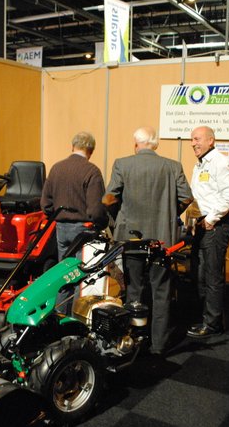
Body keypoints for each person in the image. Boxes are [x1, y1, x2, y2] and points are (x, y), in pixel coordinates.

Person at [103, 127, 192, 355]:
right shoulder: (173, 166)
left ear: (136, 144)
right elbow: (186, 198)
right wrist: (169, 214)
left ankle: (133, 340)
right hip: (163, 241)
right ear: (156, 144)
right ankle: (159, 344)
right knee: (161, 292)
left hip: (131, 238)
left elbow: (109, 198)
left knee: (134, 289)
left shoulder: (122, 164)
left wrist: (118, 217)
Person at [41, 131, 108, 313]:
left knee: (64, 274)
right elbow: (95, 210)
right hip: (83, 231)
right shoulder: (92, 171)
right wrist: (102, 224)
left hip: (61, 228)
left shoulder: (56, 168)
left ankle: (59, 314)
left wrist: (56, 216)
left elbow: (45, 204)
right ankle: (77, 318)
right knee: (81, 276)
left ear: (72, 146)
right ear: (91, 151)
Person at [186, 126, 229, 338]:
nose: (193, 143)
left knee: (212, 277)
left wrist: (211, 218)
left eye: (197, 139)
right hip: (202, 225)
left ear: (211, 141)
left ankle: (213, 325)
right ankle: (209, 318)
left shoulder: (220, 162)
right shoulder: (200, 164)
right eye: (192, 140)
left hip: (216, 226)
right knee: (200, 275)